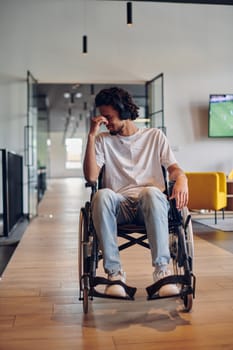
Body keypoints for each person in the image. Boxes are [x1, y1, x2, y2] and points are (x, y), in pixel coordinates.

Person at [83, 87, 188, 298]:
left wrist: (182, 179)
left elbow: (174, 169)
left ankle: (162, 272)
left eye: (109, 117)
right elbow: (92, 178)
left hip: (150, 205)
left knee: (150, 192)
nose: (106, 122)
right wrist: (92, 135)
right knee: (101, 195)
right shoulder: (103, 140)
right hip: (118, 206)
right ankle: (114, 275)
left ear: (124, 111)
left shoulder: (155, 136)